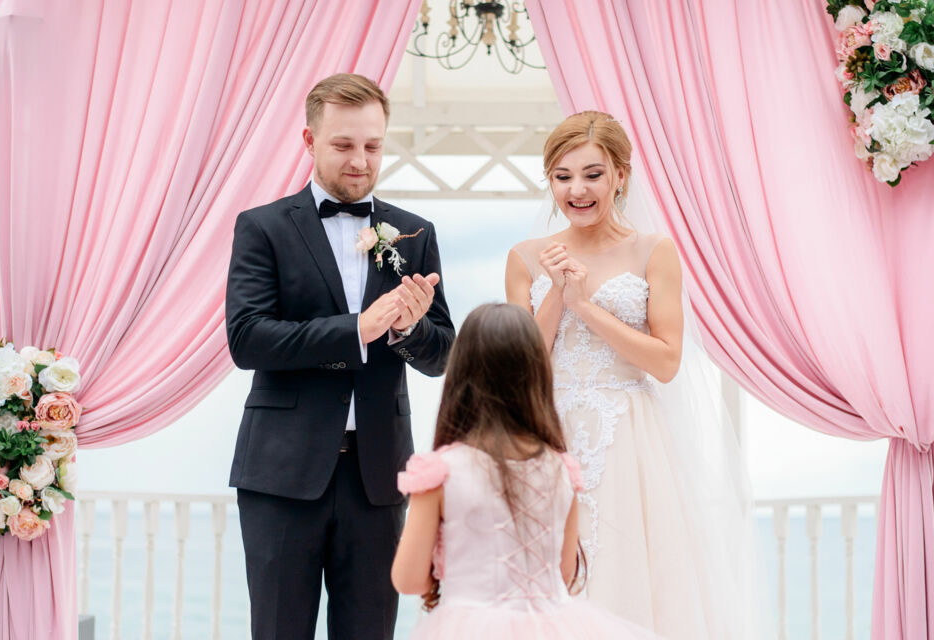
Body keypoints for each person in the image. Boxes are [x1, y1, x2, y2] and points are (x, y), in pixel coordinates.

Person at [504, 111, 759, 639]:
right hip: (549, 439)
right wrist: (556, 290)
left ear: (621, 174)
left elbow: (667, 361)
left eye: (593, 174)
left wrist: (586, 305)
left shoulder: (652, 250)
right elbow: (522, 365)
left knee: (631, 581)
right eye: (563, 176)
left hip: (630, 440)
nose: (577, 189)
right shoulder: (527, 257)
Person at [225, 73, 455, 640]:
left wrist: (406, 329)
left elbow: (442, 353)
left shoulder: (413, 232)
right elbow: (248, 338)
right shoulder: (262, 227)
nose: (360, 161)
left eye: (372, 146)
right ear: (308, 141)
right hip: (281, 475)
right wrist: (358, 328)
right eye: (343, 145)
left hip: (377, 477)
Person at [391, 303, 664, 639]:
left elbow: (409, 579)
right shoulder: (561, 469)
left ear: (461, 376)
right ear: (536, 376)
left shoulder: (440, 473)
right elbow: (563, 573)